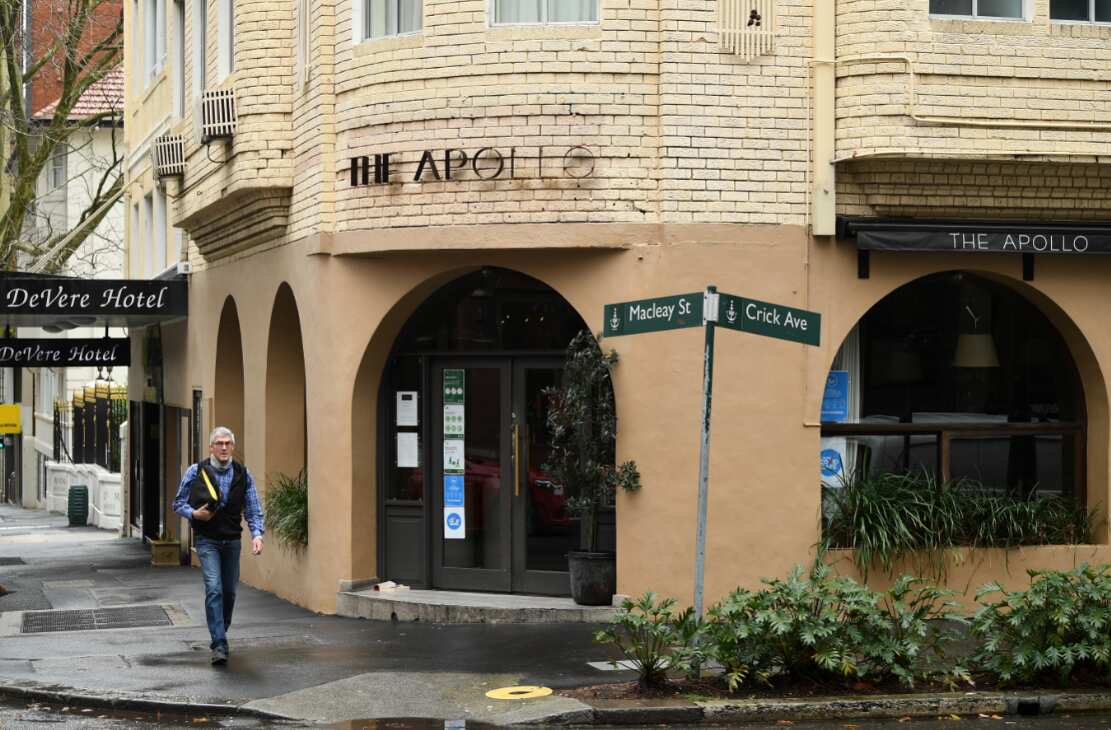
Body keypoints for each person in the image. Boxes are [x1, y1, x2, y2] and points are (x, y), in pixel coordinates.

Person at [172, 426, 264, 665]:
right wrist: (194, 514)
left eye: (228, 444)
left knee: (230, 592)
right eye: (219, 443)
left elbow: (253, 508)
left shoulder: (243, 474)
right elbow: (178, 503)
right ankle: (219, 643)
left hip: (232, 540)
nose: (224, 448)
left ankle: (220, 629)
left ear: (232, 447)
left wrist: (257, 535)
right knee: (214, 588)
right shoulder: (196, 471)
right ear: (211, 447)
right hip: (207, 541)